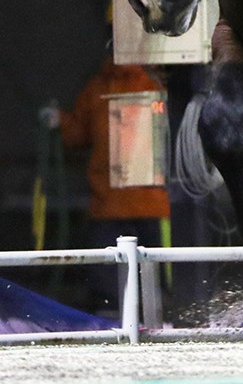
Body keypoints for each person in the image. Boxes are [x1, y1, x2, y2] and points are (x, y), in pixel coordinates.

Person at [53, 54, 171, 312]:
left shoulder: (101, 88)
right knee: (148, 277)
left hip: (114, 204)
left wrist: (58, 121)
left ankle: (114, 322)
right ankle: (150, 319)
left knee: (110, 278)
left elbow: (76, 135)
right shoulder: (154, 85)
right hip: (141, 204)